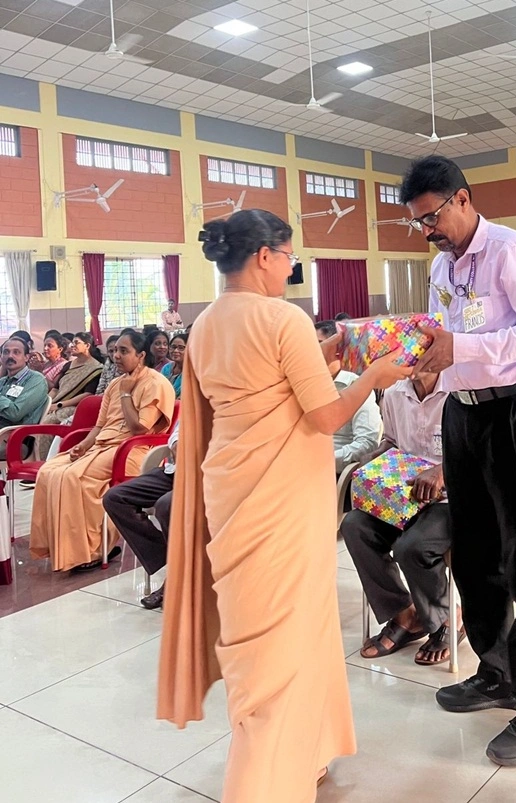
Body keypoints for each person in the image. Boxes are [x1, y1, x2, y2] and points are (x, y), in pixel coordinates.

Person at [157, 209, 410, 802]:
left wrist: (328, 355)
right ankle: (263, 782)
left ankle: (305, 751)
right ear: (264, 256)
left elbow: (268, 388)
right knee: (283, 638)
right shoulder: (282, 318)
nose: (291, 268)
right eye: (289, 256)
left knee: (270, 630)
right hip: (282, 497)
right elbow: (325, 415)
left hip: (232, 486)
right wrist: (372, 375)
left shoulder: (205, 324)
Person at [399, 155, 516, 767]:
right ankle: (497, 670)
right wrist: (431, 366)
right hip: (464, 413)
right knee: (473, 549)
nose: (428, 230)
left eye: (432, 217)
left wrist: (463, 347)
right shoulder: (441, 265)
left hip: (515, 411)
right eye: (418, 222)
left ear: (463, 199)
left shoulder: (510, 250)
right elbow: (445, 335)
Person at [342, 370, 464, 666]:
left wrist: (441, 471)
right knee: (355, 526)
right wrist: (375, 459)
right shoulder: (395, 391)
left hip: (451, 496)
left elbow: (478, 448)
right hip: (404, 496)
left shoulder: (460, 390)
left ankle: (449, 618)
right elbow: (392, 441)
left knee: (413, 546)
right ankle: (405, 615)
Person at [29, 332, 175, 573]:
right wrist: (84, 445)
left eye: (124, 351)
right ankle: (59, 547)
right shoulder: (115, 384)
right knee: (49, 470)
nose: (116, 356)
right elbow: (100, 426)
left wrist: (127, 394)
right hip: (103, 446)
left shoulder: (156, 383)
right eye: (115, 350)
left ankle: (92, 552)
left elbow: (139, 429)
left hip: (132, 450)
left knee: (73, 477)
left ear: (141, 355)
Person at [103, 422, 179, 610]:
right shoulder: (195, 404)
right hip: (174, 471)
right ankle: (174, 559)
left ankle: (174, 577)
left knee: (165, 505)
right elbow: (176, 437)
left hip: (208, 474)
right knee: (114, 498)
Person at [315, 320, 381, 473]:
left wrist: (324, 461)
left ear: (337, 349)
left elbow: (367, 443)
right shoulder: (307, 386)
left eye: (319, 345)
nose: (313, 353)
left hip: (332, 471)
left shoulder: (357, 385)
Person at [36, 333, 104, 459]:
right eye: (72, 342)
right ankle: (38, 460)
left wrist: (59, 405)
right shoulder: (68, 365)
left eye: (76, 342)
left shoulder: (96, 368)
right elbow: (55, 389)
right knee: (39, 414)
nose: (72, 345)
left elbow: (88, 394)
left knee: (48, 422)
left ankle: (47, 462)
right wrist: (47, 403)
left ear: (87, 345)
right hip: (58, 404)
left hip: (76, 407)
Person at [0, 337, 49, 459]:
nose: (10, 356)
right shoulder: (3, 382)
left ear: (26, 357)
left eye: (16, 352)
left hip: (15, 439)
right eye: (6, 352)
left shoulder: (36, 380)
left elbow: (15, 413)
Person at [161, 333, 187, 399]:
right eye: (173, 347)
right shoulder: (167, 368)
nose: (175, 351)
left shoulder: (192, 372)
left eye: (181, 348)